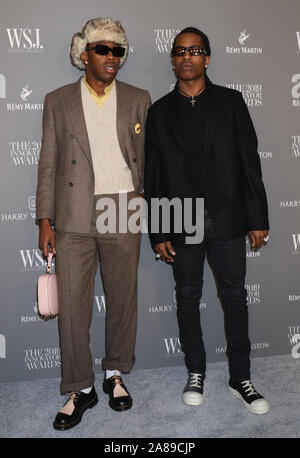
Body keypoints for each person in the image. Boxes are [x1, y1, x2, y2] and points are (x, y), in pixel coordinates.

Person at [144, 27, 270, 414]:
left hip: (228, 219)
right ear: (172, 59)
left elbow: (250, 165)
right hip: (181, 222)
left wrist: (257, 217)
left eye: (195, 50)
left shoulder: (232, 103)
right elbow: (154, 175)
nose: (187, 57)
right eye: (180, 51)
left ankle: (241, 378)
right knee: (187, 298)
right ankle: (195, 370)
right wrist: (159, 230)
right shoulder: (160, 111)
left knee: (235, 299)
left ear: (207, 58)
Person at [36, 17, 151, 430]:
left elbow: (150, 160)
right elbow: (48, 163)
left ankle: (114, 372)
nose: (112, 58)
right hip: (72, 211)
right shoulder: (58, 100)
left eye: (118, 50)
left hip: (124, 207)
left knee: (122, 299)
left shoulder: (139, 98)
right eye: (103, 49)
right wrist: (44, 220)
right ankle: (79, 387)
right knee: (72, 308)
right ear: (83, 54)